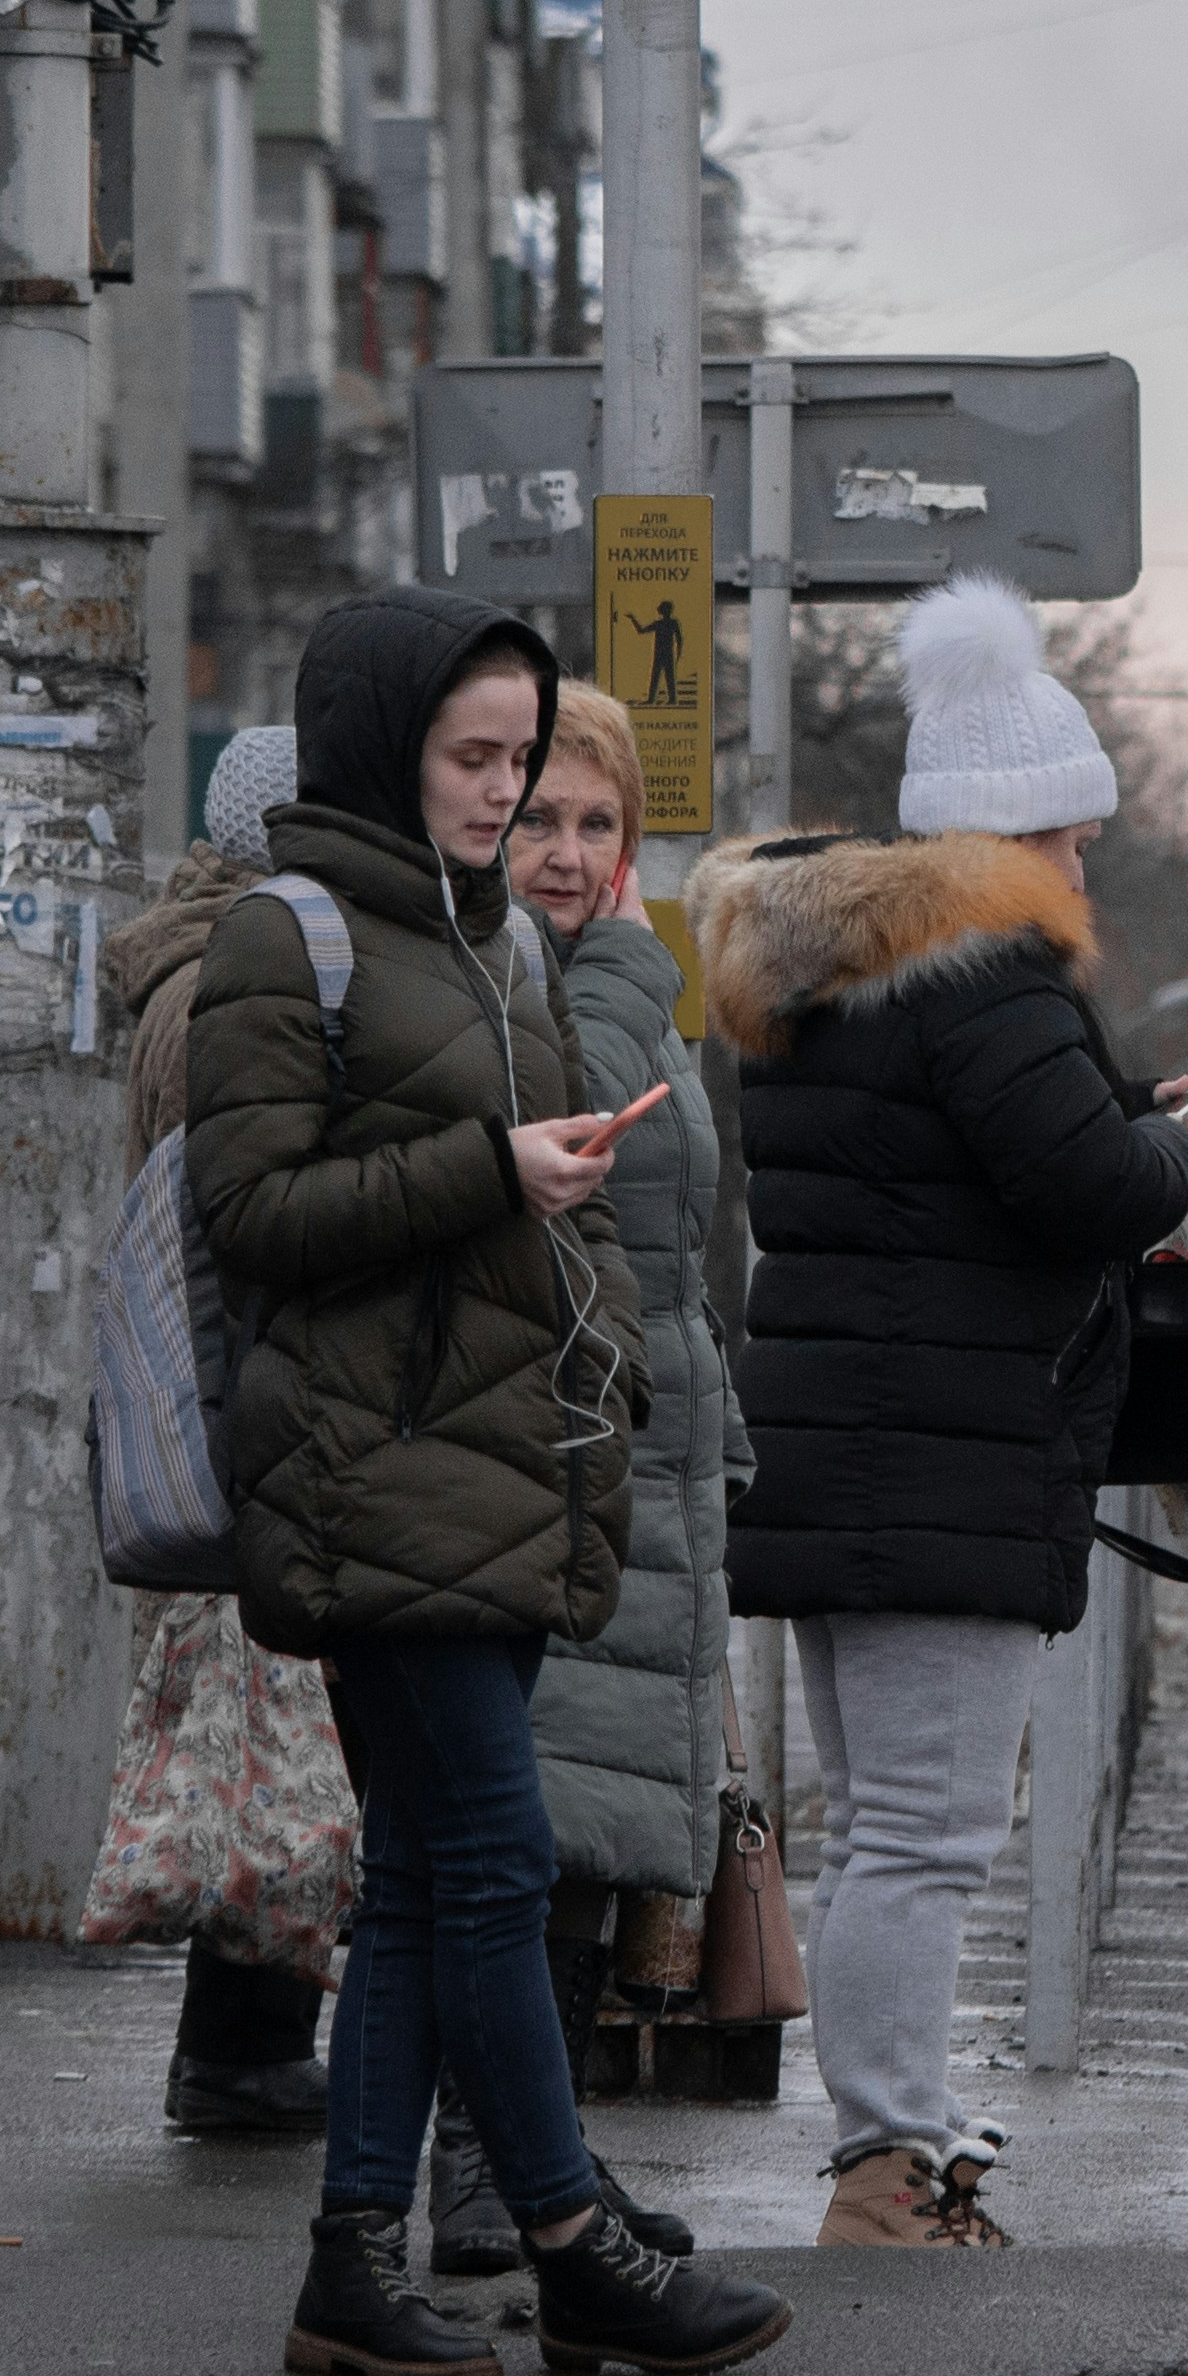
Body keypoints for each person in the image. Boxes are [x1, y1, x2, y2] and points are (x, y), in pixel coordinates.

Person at [189, 588, 786, 2376]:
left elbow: (541, 1213)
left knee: (436, 1884)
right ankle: (566, 2233)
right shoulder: (285, 943)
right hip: (366, 1480)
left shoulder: (493, 951)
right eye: (476, 760)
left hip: (501, 1475)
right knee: (497, 1862)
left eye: (524, 761)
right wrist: (486, 1174)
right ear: (388, 747)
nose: (505, 796)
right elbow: (254, 1221)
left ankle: (354, 2262)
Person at [692, 574, 1188, 2252]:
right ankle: (885, 2168)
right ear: (1009, 842)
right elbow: (1084, 1190)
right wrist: (1176, 1149)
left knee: (876, 1837)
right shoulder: (990, 977)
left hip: (845, 1451)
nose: (1083, 872)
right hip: (936, 1467)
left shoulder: (834, 976)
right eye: (1070, 838)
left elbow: (947, 1169)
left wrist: (1113, 1112)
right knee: (920, 1840)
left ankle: (890, 2143)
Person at [420, 684, 743, 2276]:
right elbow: (587, 1117)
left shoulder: (607, 964)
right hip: (541, 1443)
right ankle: (486, 2169)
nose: (561, 849)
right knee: (534, 1832)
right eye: (535, 813)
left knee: (603, 1838)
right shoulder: (535, 967)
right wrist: (625, 957)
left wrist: (718, 1421)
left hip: (645, 1449)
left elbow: (677, 1243)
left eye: (594, 824)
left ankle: (545, 2154)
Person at [76, 722, 363, 2140]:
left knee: (262, 1741)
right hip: (238, 1403)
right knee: (266, 1745)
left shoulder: (197, 966)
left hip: (228, 1401)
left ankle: (246, 2042)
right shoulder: (221, 989)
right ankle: (242, 2053)